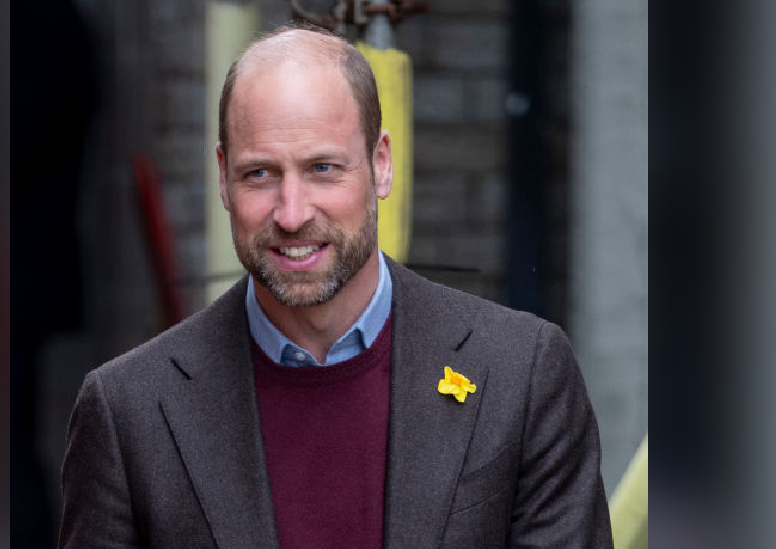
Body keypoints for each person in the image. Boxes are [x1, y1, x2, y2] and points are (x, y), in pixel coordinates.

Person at [58, 24, 612, 549]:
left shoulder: (521, 376)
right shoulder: (128, 410)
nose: (293, 213)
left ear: (381, 164)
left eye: (323, 168)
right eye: (260, 174)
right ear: (223, 178)